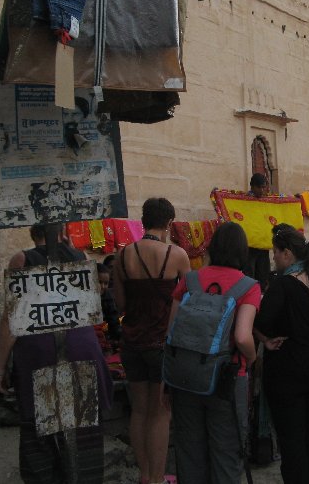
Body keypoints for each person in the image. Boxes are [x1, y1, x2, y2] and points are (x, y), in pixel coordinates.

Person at [0, 224, 113, 484]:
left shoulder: (22, 259)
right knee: (82, 431)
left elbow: (11, 319)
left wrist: (1, 368)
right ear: (61, 232)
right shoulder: (81, 258)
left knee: (41, 434)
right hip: (81, 347)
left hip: (40, 352)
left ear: (33, 234)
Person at [168, 221, 261, 484]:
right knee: (226, 452)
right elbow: (242, 336)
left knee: (189, 451)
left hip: (186, 376)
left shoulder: (190, 280)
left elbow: (171, 331)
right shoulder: (248, 286)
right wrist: (251, 359)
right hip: (227, 379)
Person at [254, 227, 309, 483]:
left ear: (287, 253)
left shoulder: (282, 285)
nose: (274, 258)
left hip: (290, 372)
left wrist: (264, 340)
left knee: (292, 439)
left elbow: (263, 322)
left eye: (276, 253)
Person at [113, 198, 190, 484]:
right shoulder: (177, 255)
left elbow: (120, 304)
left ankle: (145, 475)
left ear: (144, 221)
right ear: (169, 223)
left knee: (140, 410)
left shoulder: (123, 256)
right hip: (161, 344)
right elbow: (189, 301)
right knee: (160, 413)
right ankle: (157, 479)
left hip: (131, 343)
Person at [243, 173, 272, 289]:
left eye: (263, 187)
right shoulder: (244, 201)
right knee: (249, 275)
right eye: (259, 187)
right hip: (250, 245)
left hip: (263, 245)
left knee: (263, 275)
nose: (261, 190)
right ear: (252, 186)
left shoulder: (266, 201)